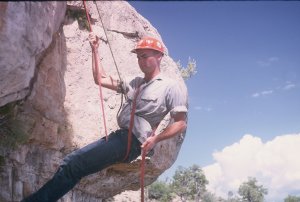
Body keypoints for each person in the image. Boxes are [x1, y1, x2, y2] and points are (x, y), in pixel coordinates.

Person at [22, 33, 188, 202]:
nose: (141, 61)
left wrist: (156, 139)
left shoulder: (170, 87)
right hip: (120, 137)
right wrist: (95, 50)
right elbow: (100, 79)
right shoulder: (134, 82)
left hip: (131, 143)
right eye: (138, 57)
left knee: (73, 164)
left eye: (145, 56)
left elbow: (180, 123)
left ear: (159, 56)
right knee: (72, 165)